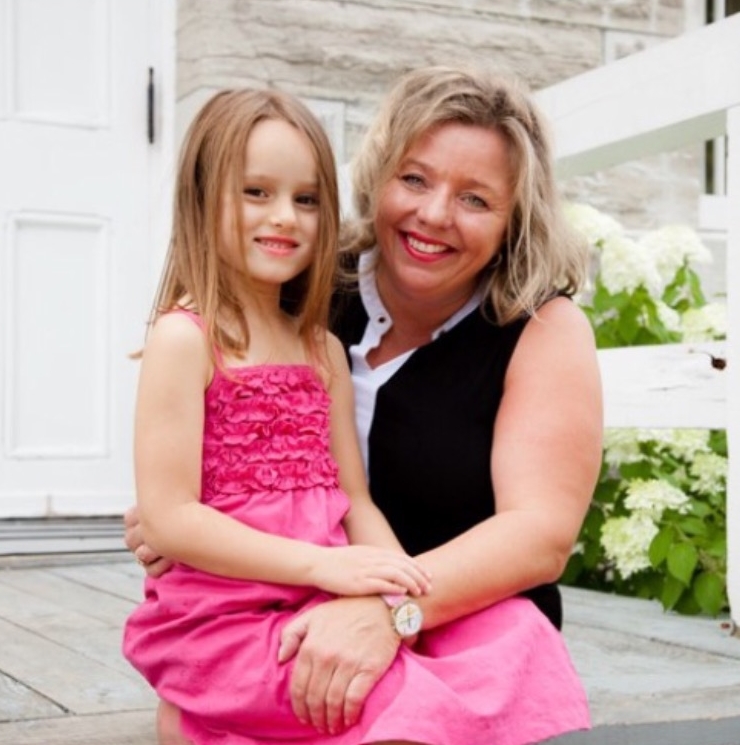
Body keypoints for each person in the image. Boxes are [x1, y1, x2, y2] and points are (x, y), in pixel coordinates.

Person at [125, 66, 602, 744]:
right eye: (414, 178)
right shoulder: (311, 293)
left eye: (475, 199)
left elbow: (539, 534)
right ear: (376, 177)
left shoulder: (537, 329)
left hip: (438, 605)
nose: (434, 214)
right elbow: (207, 469)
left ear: (512, 219)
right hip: (285, 596)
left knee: (515, 638)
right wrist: (174, 511)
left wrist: (390, 607)